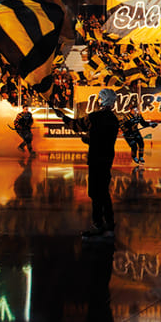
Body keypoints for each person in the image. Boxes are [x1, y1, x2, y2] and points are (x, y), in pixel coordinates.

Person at [54, 88, 119, 239]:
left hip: (96, 159)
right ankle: (109, 223)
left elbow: (76, 125)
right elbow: (104, 138)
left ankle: (98, 225)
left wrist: (63, 117)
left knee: (95, 193)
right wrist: (89, 139)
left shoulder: (95, 117)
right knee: (103, 192)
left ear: (103, 100)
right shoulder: (114, 120)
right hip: (107, 159)